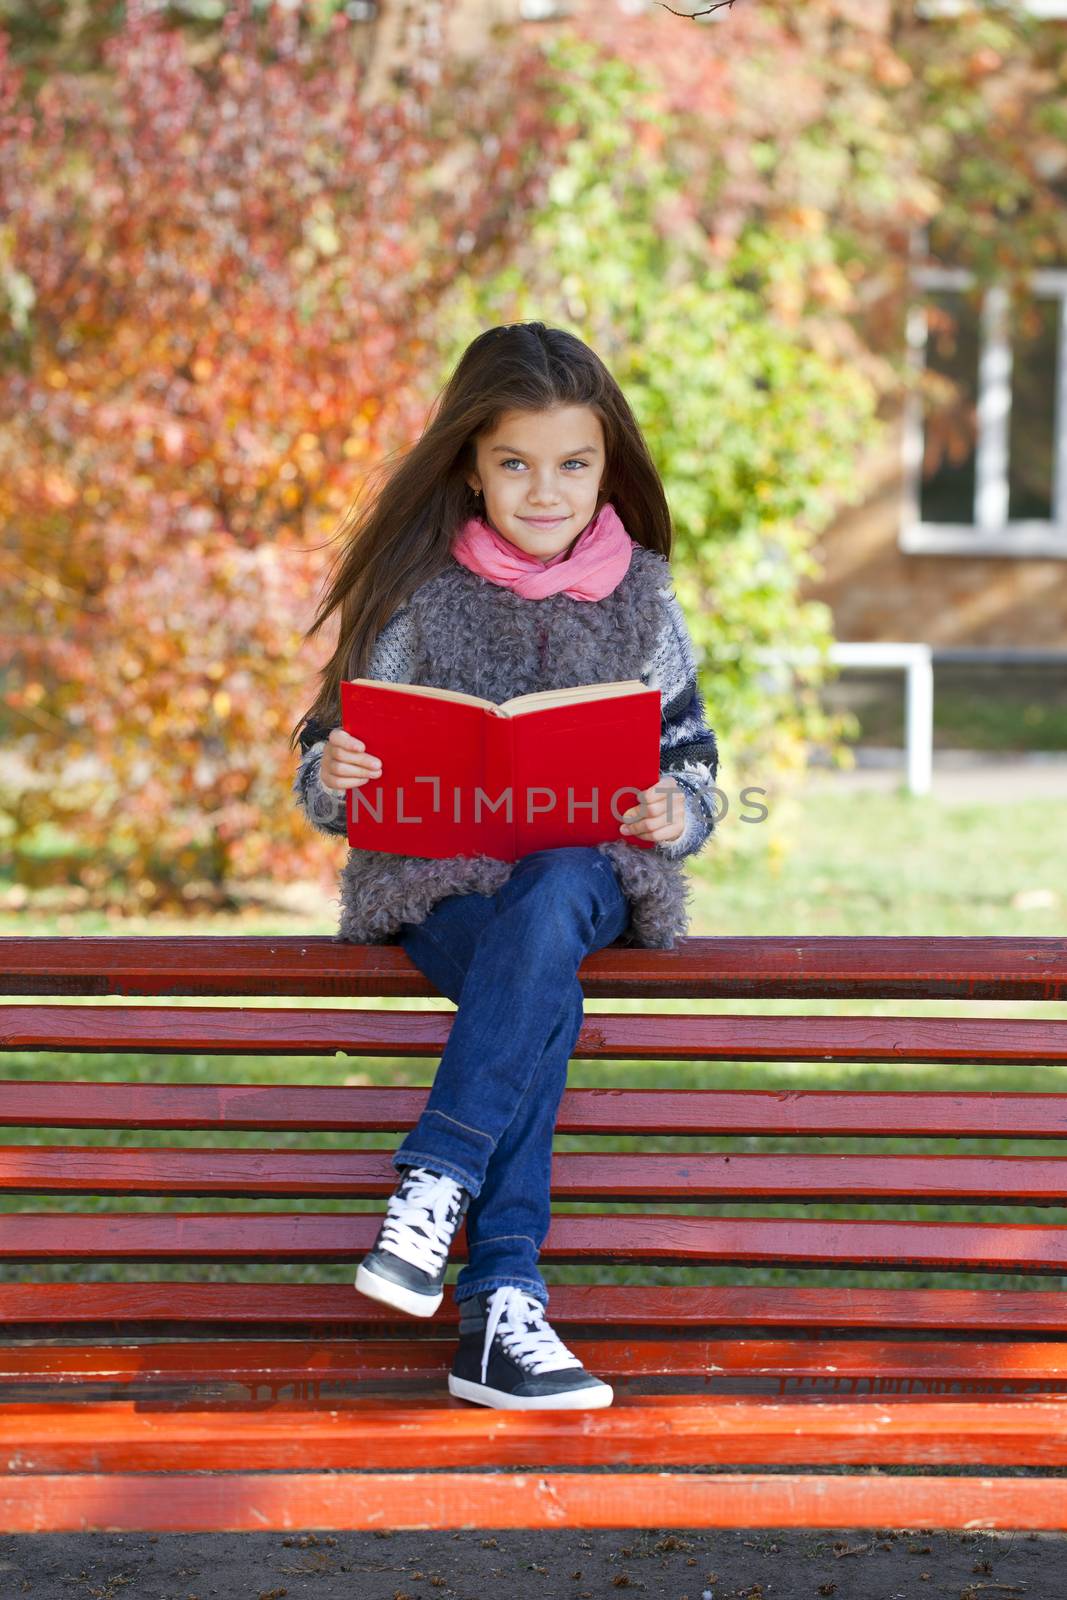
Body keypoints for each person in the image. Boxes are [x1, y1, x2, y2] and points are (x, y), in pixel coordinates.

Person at [290, 321, 719, 1411]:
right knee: (537, 996)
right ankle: (500, 1315)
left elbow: (697, 767)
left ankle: (436, 1177)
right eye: (514, 464)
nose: (545, 491)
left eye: (572, 464)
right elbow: (324, 769)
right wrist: (336, 770)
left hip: (586, 878)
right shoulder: (419, 596)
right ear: (471, 468)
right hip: (442, 885)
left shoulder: (644, 603)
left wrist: (678, 809)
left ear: (605, 466)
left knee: (562, 882)